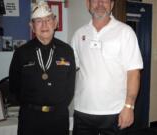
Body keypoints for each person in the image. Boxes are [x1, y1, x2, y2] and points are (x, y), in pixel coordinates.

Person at [71, 0, 143, 135]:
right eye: (95, 0)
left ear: (112, 4)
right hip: (83, 111)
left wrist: (129, 107)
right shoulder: (79, 34)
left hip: (114, 112)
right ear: (88, 4)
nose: (100, 4)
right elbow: (72, 68)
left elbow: (134, 73)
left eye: (104, 0)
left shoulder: (125, 32)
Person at [9, 1, 76, 135]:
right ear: (32, 26)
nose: (44, 25)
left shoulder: (66, 51)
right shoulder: (21, 53)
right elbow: (14, 86)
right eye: (38, 21)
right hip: (30, 119)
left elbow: (70, 86)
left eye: (48, 20)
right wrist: (30, 107)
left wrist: (58, 107)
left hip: (58, 118)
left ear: (55, 23)